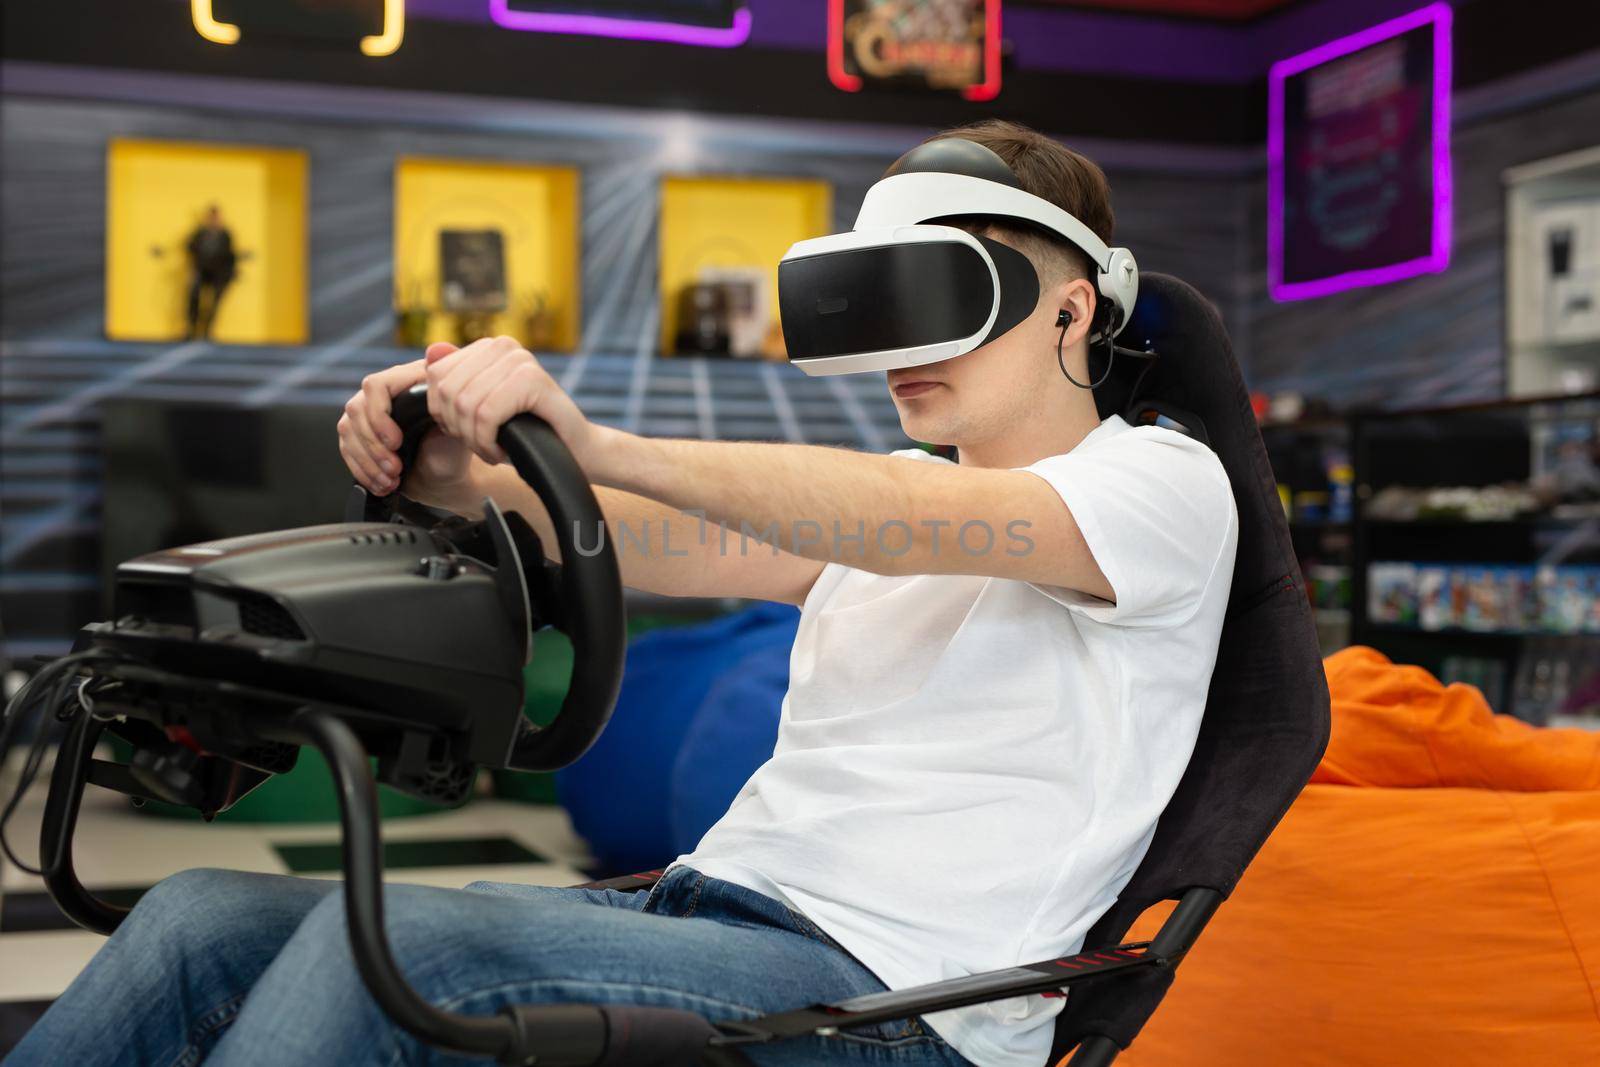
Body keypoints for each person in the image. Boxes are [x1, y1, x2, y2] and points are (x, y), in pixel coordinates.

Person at [10, 120, 1237, 1067]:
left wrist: (593, 441)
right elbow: (653, 534)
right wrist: (459, 471)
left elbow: (911, 519)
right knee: (195, 919)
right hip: (714, 915)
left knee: (398, 945)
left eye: (947, 295)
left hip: (896, 1004)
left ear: (1072, 304)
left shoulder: (1160, 482)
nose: (903, 347)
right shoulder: (889, 506)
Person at [185, 204, 236, 340]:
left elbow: (230, 255)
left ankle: (208, 331)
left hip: (218, 274)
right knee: (194, 298)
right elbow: (191, 249)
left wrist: (230, 274)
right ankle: (191, 330)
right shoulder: (200, 233)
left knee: (214, 303)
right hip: (201, 271)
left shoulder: (225, 235)